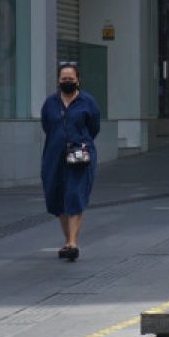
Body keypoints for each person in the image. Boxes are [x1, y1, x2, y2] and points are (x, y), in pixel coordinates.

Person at [40, 62, 101, 261]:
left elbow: (94, 128)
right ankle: (67, 240)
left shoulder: (87, 102)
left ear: (78, 80)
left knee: (75, 195)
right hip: (54, 155)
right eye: (64, 79)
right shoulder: (50, 103)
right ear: (58, 81)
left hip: (80, 156)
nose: (67, 82)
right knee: (57, 196)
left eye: (71, 79)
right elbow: (47, 126)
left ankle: (73, 242)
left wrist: (80, 142)